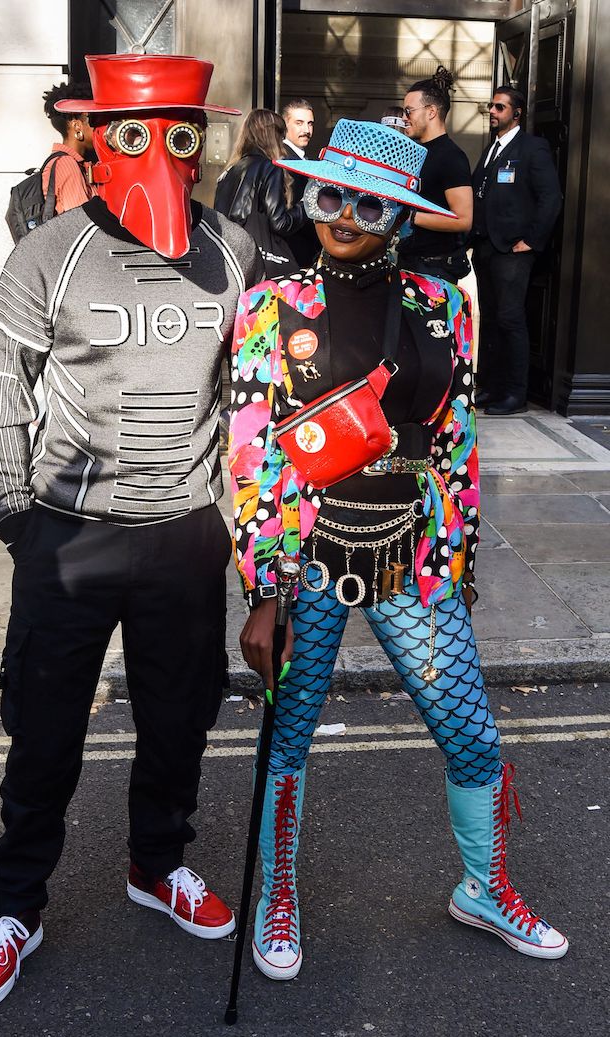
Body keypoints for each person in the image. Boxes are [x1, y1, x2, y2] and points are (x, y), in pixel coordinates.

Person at [229, 118, 568, 982]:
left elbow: (457, 440)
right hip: (308, 558)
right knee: (289, 740)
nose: (344, 216)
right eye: (331, 195)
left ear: (399, 215)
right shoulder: (273, 306)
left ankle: (483, 890)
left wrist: (457, 560)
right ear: (311, 197)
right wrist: (264, 589)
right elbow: (252, 450)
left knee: (470, 734)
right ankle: (278, 896)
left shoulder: (442, 304)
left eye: (368, 203)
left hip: (410, 559)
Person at [0, 53, 261, 1010]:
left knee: (181, 717)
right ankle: (16, 904)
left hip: (184, 534)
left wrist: (253, 541)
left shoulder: (233, 249)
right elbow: (4, 389)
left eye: (184, 132)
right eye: (138, 131)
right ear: (95, 139)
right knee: (42, 728)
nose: (164, 152)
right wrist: (18, 518)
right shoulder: (49, 252)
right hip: (71, 533)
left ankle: (157, 862)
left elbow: (250, 406)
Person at [471, 86, 562, 415]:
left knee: (510, 320)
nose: (492, 112)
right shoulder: (491, 148)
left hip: (513, 251)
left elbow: (551, 197)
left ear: (516, 113)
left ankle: (515, 393)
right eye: (490, 106)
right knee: (491, 320)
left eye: (499, 107)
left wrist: (532, 241)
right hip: (485, 248)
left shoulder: (532, 148)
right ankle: (491, 387)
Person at [397, 66, 473, 284]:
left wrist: (411, 218)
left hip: (434, 270)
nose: (404, 118)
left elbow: (463, 220)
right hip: (410, 262)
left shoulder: (452, 157)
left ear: (431, 112)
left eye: (409, 111)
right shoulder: (415, 152)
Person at [215, 108, 307, 276]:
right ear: (273, 137)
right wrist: (306, 204)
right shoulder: (270, 167)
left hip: (230, 260)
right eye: (281, 135)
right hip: (261, 263)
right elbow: (281, 223)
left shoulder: (229, 172)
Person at [41, 80, 96, 213]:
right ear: (77, 127)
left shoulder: (75, 165)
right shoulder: (67, 165)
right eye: (95, 121)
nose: (100, 128)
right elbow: (82, 225)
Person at [280, 98, 320, 268]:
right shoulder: (283, 160)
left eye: (310, 124)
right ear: (285, 125)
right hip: (290, 251)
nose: (306, 130)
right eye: (299, 123)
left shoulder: (304, 160)